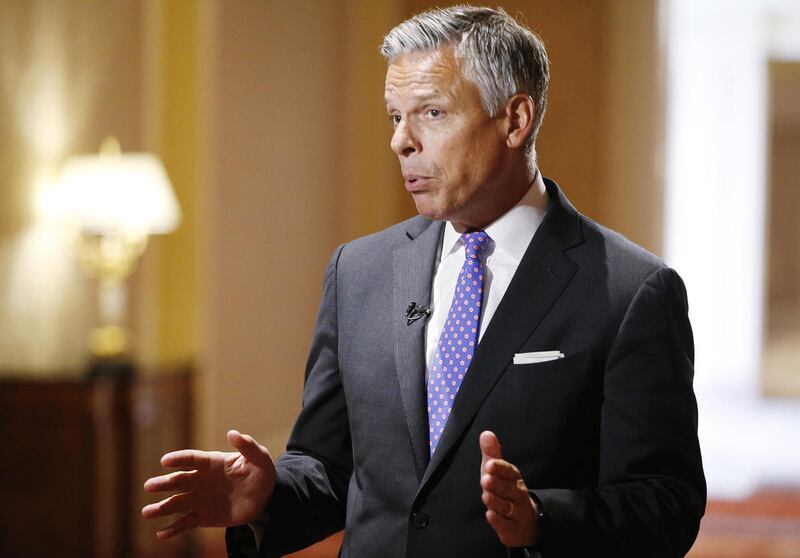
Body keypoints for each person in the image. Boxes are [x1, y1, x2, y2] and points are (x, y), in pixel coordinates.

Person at [142, 6, 706, 557]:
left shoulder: (633, 291)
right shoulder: (357, 271)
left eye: (431, 113)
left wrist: (540, 521)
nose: (401, 142)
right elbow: (330, 468)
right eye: (394, 116)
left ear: (515, 120)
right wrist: (268, 496)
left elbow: (665, 503)